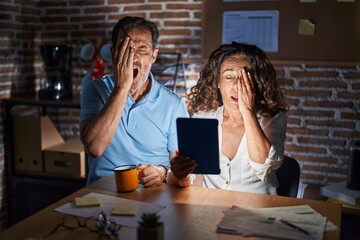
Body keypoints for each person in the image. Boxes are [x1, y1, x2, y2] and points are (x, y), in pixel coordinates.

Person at [80, 16, 188, 186]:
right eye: (126, 48)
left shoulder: (174, 105)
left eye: (142, 49)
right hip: (102, 193)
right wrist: (122, 87)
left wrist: (163, 172)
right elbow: (95, 147)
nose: (133, 56)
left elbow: (182, 173)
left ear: (153, 56)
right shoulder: (95, 89)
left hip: (151, 194)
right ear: (115, 53)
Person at [168, 42, 287, 195]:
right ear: (218, 82)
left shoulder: (273, 118)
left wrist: (247, 110)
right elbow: (187, 180)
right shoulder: (202, 118)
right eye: (229, 76)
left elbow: (263, 166)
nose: (237, 85)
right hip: (212, 209)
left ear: (256, 83)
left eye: (246, 77)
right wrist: (181, 174)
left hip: (257, 212)